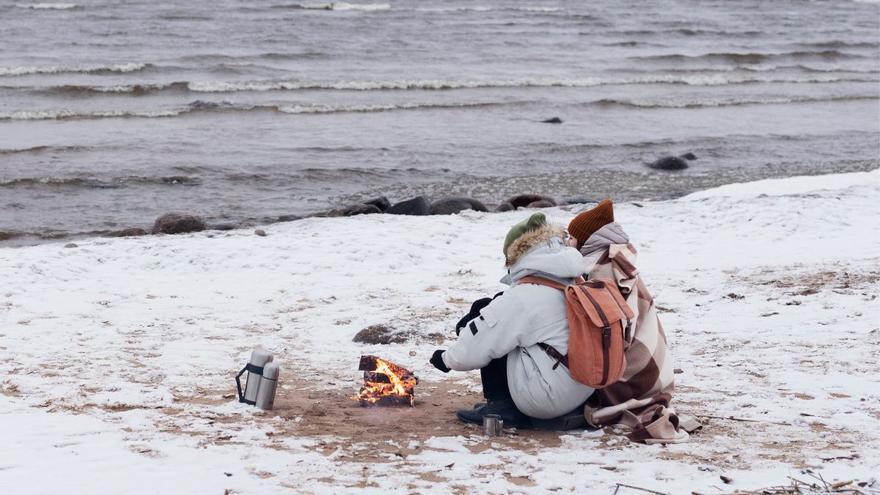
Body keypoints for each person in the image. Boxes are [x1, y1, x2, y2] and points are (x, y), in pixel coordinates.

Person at [429, 212, 593, 428]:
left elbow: (480, 343)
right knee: (497, 311)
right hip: (585, 385)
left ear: (518, 253)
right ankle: (508, 403)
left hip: (548, 397)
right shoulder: (576, 279)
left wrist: (447, 359)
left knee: (493, 321)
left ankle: (502, 407)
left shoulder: (526, 295)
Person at [567, 199, 680, 441]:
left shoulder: (602, 271)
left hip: (635, 377)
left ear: (587, 240)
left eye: (572, 237)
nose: (568, 243)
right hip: (656, 373)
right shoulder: (618, 263)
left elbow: (611, 336)